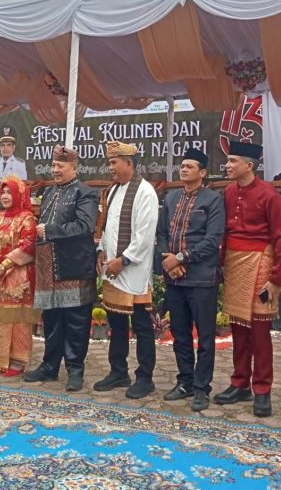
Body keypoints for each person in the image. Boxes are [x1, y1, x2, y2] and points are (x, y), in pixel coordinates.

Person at [216, 141, 281, 418]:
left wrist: (276, 279)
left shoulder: (269, 195)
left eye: (233, 161)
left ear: (249, 165)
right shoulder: (228, 192)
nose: (227, 165)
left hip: (261, 261)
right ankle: (239, 382)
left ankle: (262, 389)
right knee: (238, 328)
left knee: (260, 330)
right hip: (234, 264)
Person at [24, 144, 98, 392]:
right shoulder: (49, 193)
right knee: (52, 320)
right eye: (53, 165)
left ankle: (75, 370)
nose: (55, 169)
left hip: (73, 266)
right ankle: (49, 367)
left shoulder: (85, 193)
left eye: (60, 165)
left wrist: (51, 231)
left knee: (76, 321)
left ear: (74, 168)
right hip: (48, 268)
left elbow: (85, 226)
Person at [157, 147, 225, 412]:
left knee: (205, 337)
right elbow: (162, 232)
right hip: (175, 279)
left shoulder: (212, 200)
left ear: (203, 172)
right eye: (182, 165)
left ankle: (201, 388)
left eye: (189, 166)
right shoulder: (172, 197)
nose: (183, 169)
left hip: (201, 279)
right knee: (180, 333)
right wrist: (168, 260)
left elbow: (213, 240)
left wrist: (181, 258)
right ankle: (184, 381)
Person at [94, 141, 159, 399]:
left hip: (135, 272)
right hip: (113, 269)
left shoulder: (145, 192)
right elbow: (108, 228)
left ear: (129, 163)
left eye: (114, 162)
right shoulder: (112, 192)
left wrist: (124, 259)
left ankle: (146, 377)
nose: (110, 167)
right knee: (117, 323)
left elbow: (144, 236)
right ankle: (118, 371)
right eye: (109, 162)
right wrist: (101, 251)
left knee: (142, 325)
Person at [0, 175, 40, 376]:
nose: (5, 195)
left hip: (18, 276)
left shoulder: (27, 218)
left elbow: (28, 245)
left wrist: (6, 264)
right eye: (3, 192)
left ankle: (19, 360)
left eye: (10, 192)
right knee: (1, 318)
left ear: (19, 194)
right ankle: (1, 360)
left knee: (18, 318)